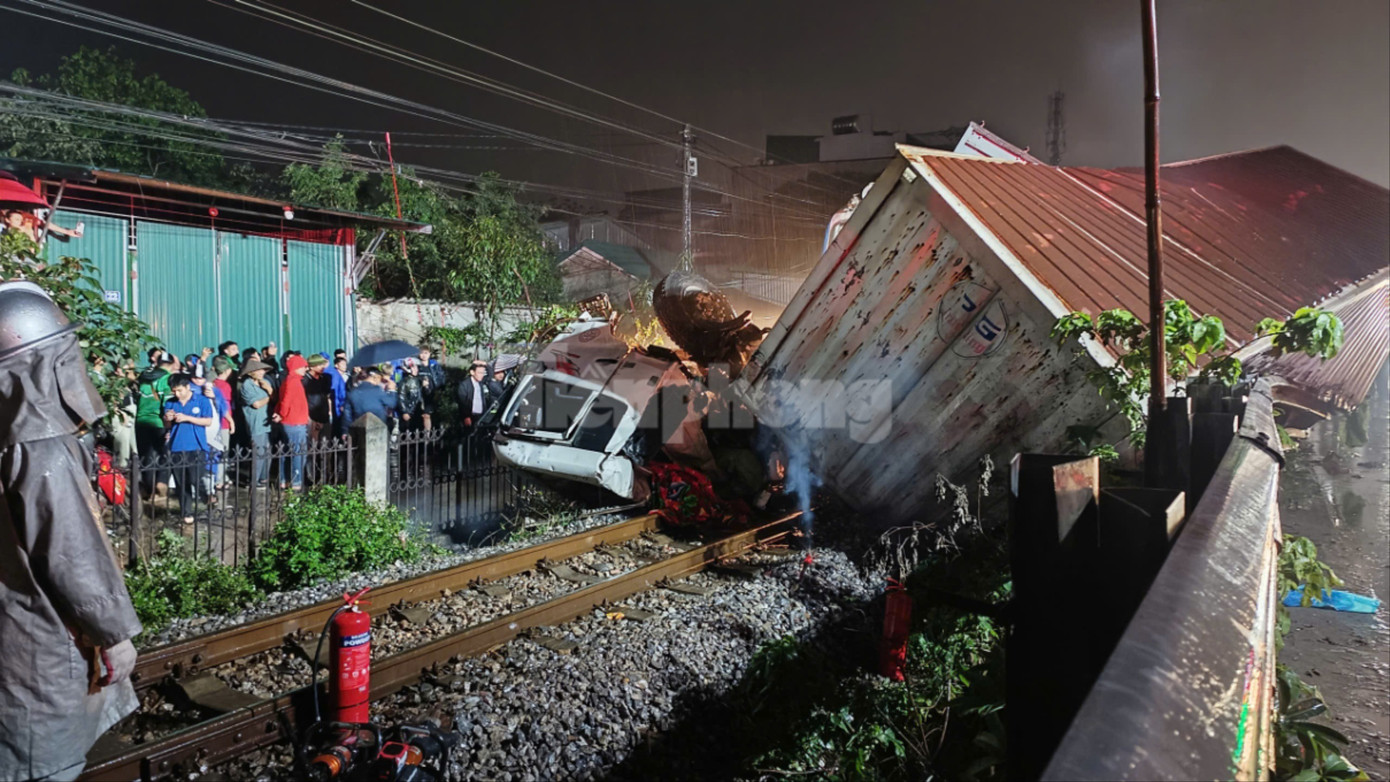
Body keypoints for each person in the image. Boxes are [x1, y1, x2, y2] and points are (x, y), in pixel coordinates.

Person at [0, 281, 141, 782]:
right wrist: (114, 634)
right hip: (38, 643)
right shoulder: (40, 445)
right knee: (43, 763)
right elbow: (70, 551)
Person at [162, 373, 216, 526]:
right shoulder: (170, 403)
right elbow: (167, 425)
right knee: (181, 483)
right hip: (176, 446)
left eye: (180, 390)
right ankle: (186, 512)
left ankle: (206, 496)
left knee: (196, 478)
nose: (177, 394)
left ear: (187, 387)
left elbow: (208, 421)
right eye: (174, 391)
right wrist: (167, 418)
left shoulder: (201, 400)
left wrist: (187, 418)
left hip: (196, 446)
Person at [135, 351, 178, 498]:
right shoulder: (167, 379)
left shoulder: (144, 378)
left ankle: (149, 489)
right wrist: (169, 424)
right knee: (165, 453)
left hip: (141, 422)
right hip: (159, 422)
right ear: (172, 364)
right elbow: (168, 405)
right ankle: (161, 481)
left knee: (147, 456)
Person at [272, 354, 309, 491]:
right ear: (296, 367)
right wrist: (281, 413)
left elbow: (282, 399)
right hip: (295, 421)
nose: (305, 368)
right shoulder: (293, 381)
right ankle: (296, 482)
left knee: (287, 452)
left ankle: (284, 480)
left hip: (291, 421)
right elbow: (286, 400)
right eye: (303, 366)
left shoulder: (288, 380)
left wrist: (279, 412)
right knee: (298, 453)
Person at [238, 358, 274, 487]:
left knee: (267, 452)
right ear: (251, 372)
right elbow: (256, 404)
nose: (262, 372)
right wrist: (269, 396)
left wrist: (269, 390)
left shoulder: (265, 382)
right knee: (258, 453)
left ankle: (263, 478)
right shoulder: (247, 385)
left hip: (266, 421)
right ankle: (254, 481)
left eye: (263, 370)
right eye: (258, 370)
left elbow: (274, 397)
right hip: (255, 423)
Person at [396, 358, 425, 432]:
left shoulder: (418, 380)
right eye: (413, 367)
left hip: (417, 411)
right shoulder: (404, 382)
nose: (416, 369)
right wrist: (404, 411)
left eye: (416, 367)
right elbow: (401, 397)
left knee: (418, 432)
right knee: (406, 432)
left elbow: (420, 395)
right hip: (408, 411)